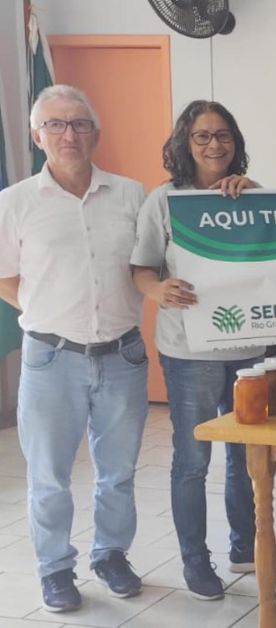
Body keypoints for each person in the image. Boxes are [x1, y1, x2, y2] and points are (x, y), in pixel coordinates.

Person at [131, 100, 276, 601]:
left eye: (223, 135)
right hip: (190, 352)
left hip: (250, 348)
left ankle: (246, 547)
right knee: (192, 460)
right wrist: (157, 291)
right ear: (186, 142)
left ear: (236, 142)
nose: (214, 145)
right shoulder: (164, 201)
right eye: (203, 136)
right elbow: (141, 270)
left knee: (247, 454)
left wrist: (256, 201)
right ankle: (194, 560)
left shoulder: (253, 194)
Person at [0, 85, 148, 612]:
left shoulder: (133, 195)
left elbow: (147, 267)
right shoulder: (14, 203)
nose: (69, 134)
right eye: (56, 125)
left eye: (79, 124)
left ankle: (111, 555)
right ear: (38, 135)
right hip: (50, 359)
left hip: (123, 356)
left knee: (119, 472)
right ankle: (56, 569)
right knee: (49, 478)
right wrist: (46, 311)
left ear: (96, 134)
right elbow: (5, 276)